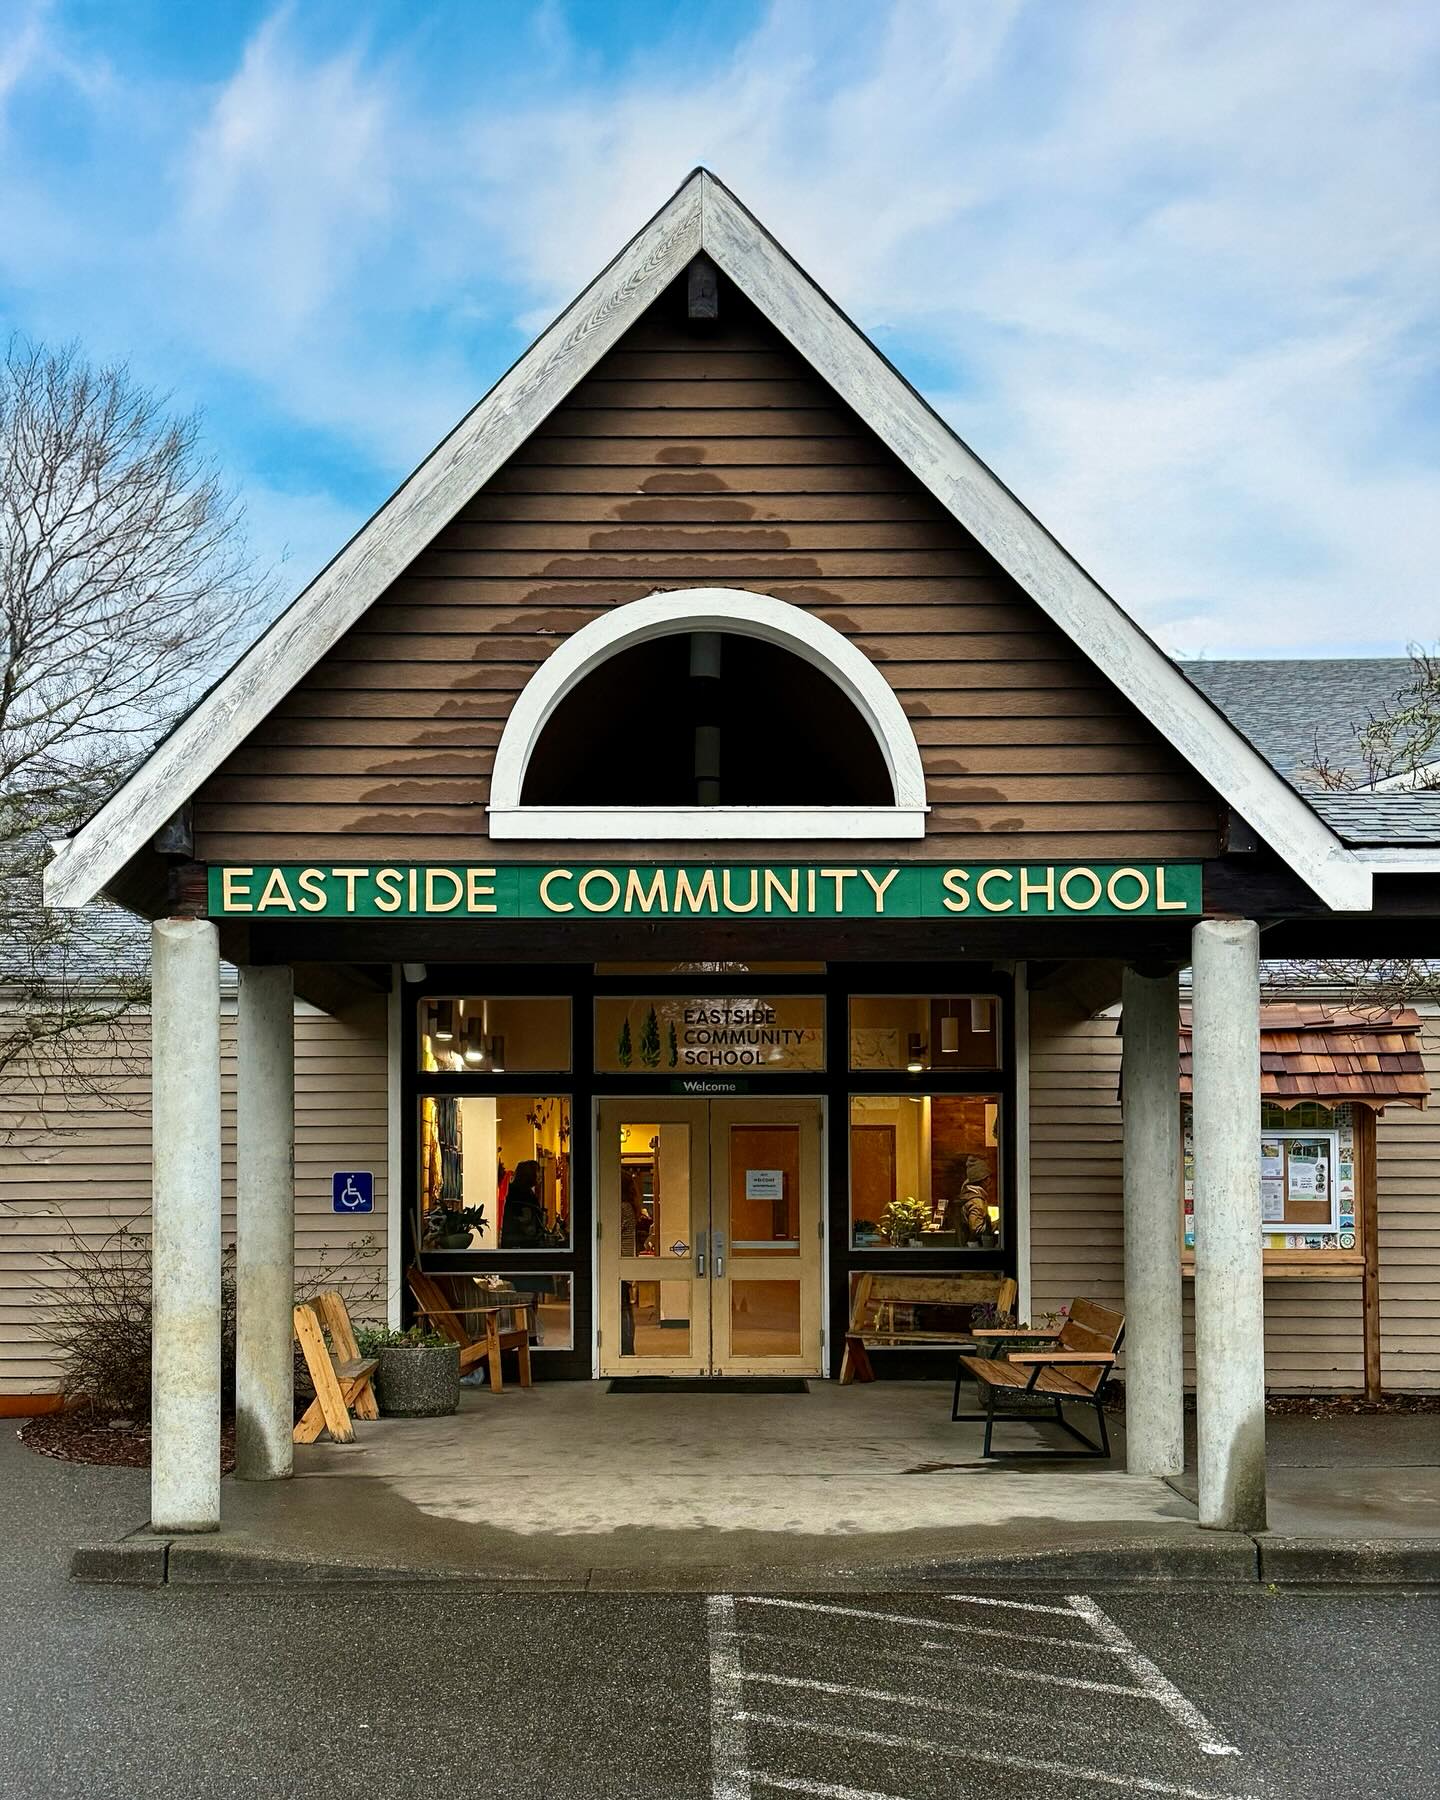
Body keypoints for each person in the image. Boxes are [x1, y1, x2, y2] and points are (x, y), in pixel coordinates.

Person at [499, 1159, 548, 1248]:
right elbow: (527, 1220)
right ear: (529, 1174)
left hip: (516, 1242)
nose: (540, 1175)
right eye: (538, 1172)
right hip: (523, 1244)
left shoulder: (514, 1191)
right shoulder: (524, 1195)